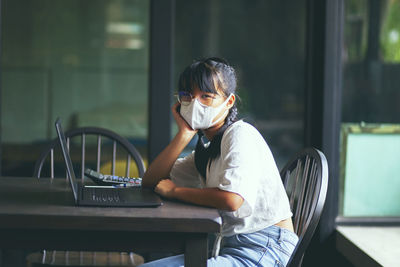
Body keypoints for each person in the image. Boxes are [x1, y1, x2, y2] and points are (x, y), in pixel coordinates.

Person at [141, 57, 298, 267]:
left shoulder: (240, 134)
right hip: (228, 247)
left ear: (229, 101)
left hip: (265, 249)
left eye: (206, 96)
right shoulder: (209, 148)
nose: (195, 103)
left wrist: (174, 191)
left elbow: (232, 199)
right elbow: (152, 181)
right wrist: (184, 135)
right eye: (188, 96)